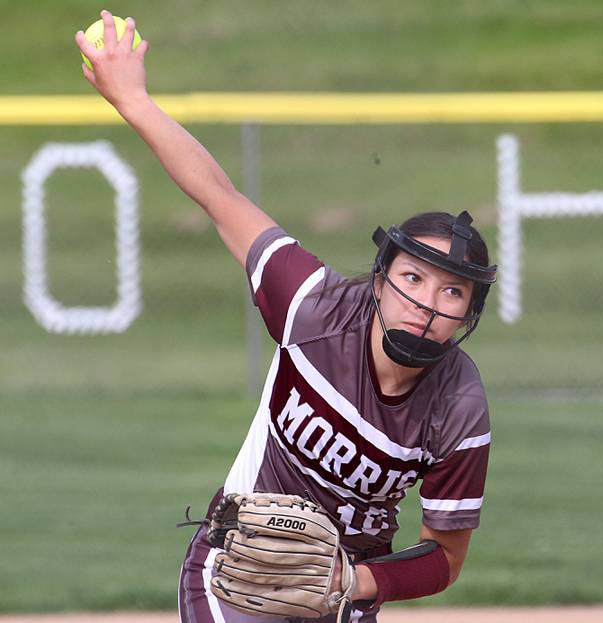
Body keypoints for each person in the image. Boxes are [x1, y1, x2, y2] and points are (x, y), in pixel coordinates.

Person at [76, 11, 496, 623]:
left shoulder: (459, 406)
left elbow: (446, 558)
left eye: (452, 293)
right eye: (412, 278)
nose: (427, 304)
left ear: (467, 315)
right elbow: (220, 198)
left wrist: (352, 580)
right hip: (234, 568)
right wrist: (135, 102)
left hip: (345, 588)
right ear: (381, 281)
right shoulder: (312, 306)